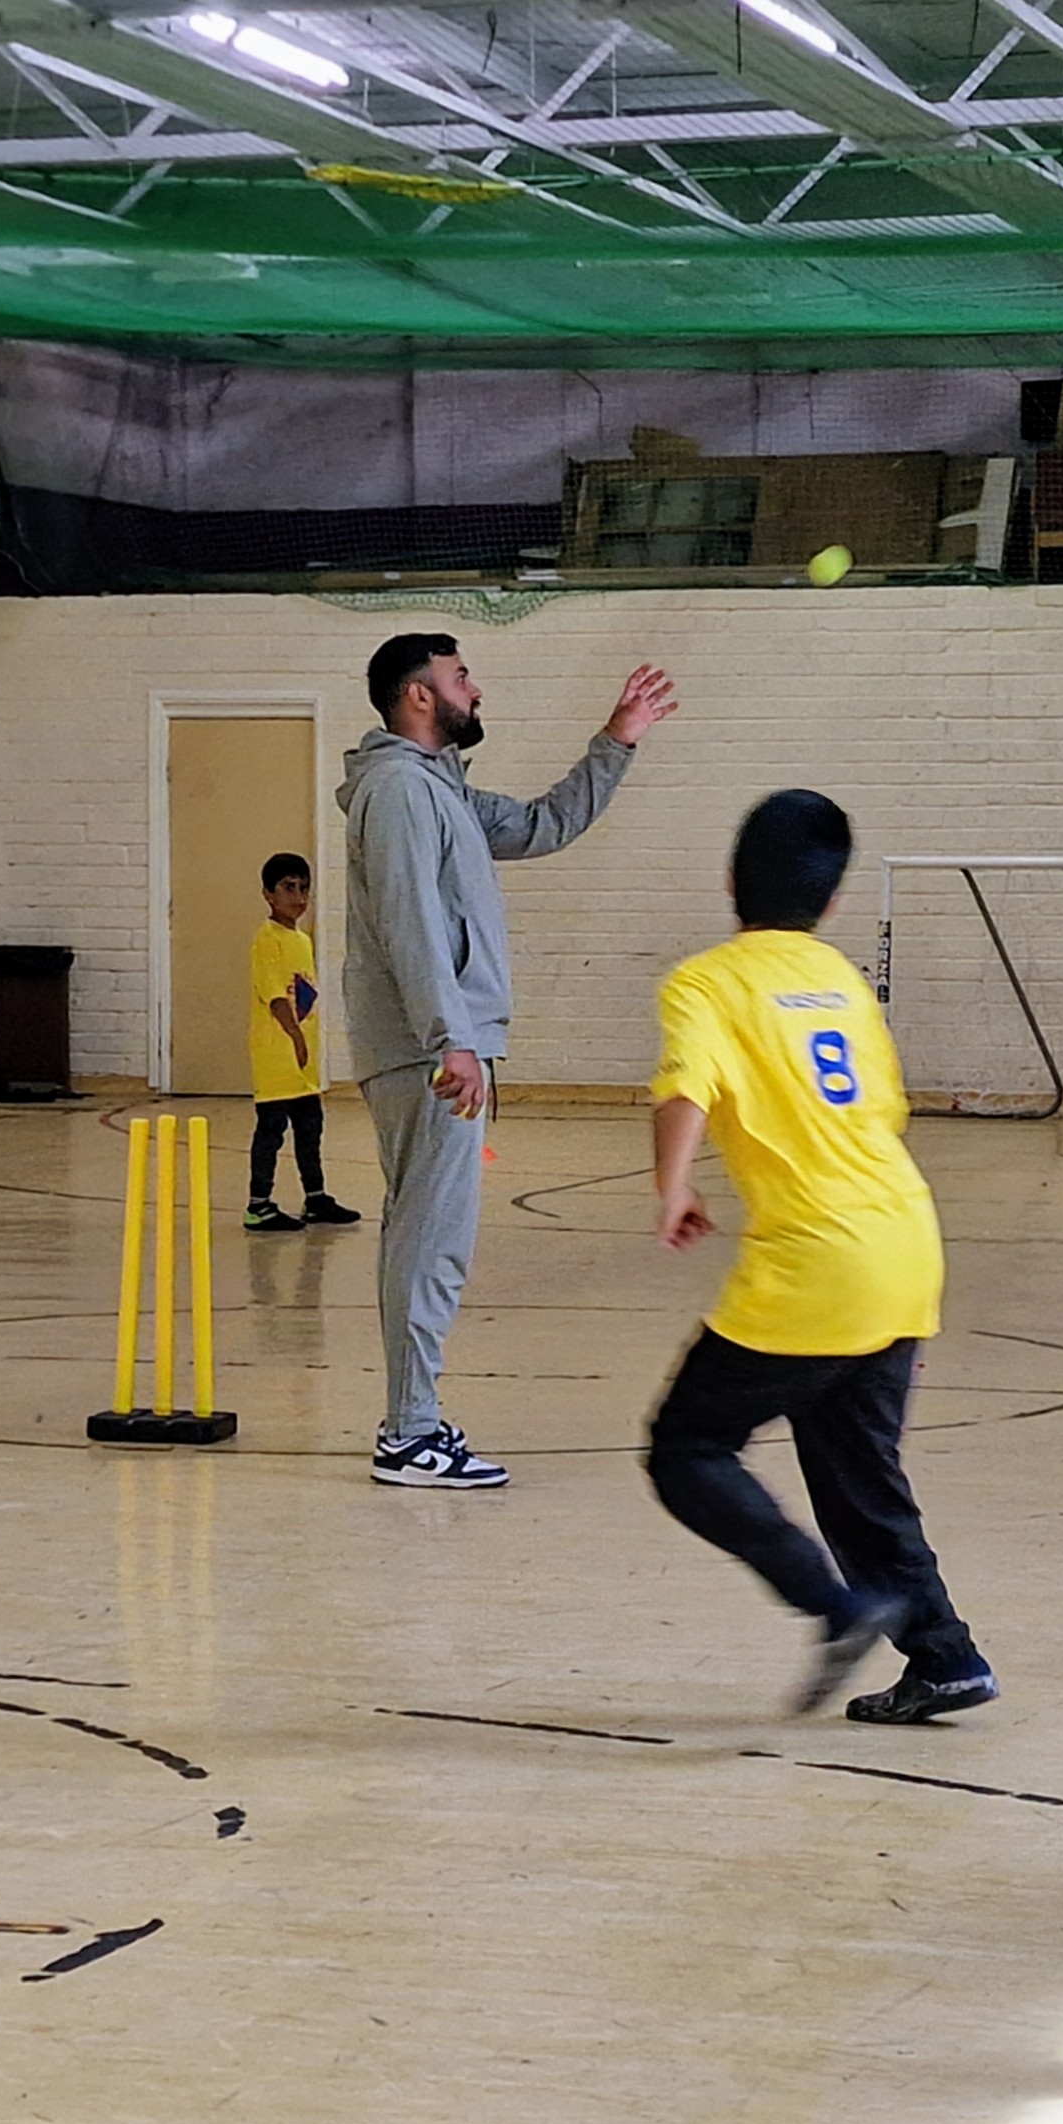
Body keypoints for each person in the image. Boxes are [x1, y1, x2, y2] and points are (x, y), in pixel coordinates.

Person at [645, 790, 996, 1725]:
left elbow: (684, 1085)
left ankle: (836, 1609)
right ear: (833, 901)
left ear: (729, 881)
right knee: (855, 1469)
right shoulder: (841, 980)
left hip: (816, 1261)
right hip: (905, 1245)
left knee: (685, 1447)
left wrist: (672, 1184)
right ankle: (945, 1659)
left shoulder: (706, 982)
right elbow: (882, 1109)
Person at [342, 631, 676, 1489]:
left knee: (432, 1235)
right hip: (431, 1051)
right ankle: (410, 1432)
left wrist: (616, 741)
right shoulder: (398, 790)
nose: (475, 689)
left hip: (445, 1045)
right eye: (461, 678)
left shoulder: (440, 791)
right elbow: (410, 920)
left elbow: (541, 824)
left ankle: (411, 1425)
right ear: (419, 695)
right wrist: (447, 1036)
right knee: (432, 1240)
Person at [242, 851, 359, 1235]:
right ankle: (258, 1204)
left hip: (302, 1061)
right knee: (271, 1130)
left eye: (304, 888)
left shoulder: (301, 940)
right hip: (277, 1057)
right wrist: (293, 1035)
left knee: (310, 1127)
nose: (298, 897)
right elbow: (275, 996)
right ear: (268, 894)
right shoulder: (267, 941)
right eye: (288, 887)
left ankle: (316, 1197)